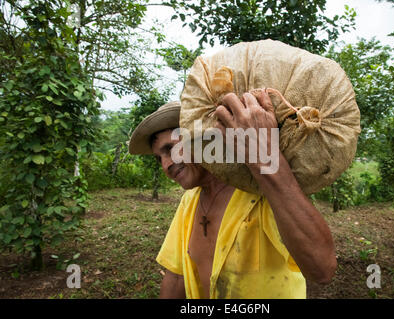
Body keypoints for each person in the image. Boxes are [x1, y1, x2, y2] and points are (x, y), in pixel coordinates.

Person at [128, 90, 337, 299]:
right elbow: (176, 277)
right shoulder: (189, 202)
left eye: (171, 148)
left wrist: (265, 158)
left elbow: (322, 270)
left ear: (199, 137)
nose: (166, 165)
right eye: (159, 158)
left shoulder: (261, 194)